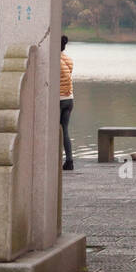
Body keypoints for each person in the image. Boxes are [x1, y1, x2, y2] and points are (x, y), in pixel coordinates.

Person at [60, 34, 74, 171]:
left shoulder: (53, 60)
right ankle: (69, 160)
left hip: (58, 99)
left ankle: (53, 158)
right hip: (69, 99)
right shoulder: (68, 59)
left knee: (53, 131)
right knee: (64, 131)